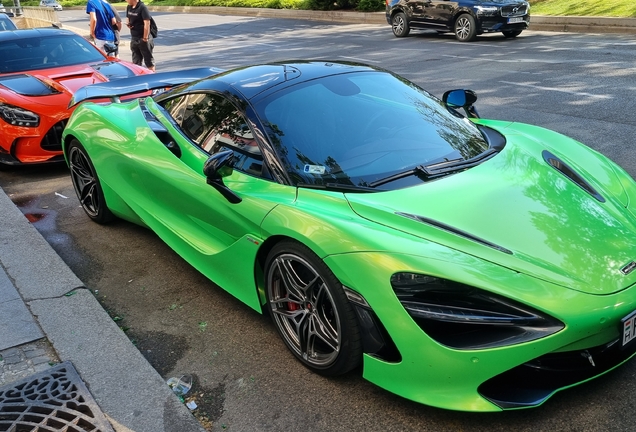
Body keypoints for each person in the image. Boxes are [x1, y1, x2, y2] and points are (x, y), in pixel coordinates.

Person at [125, 0, 155, 71]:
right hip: (134, 38)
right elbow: (128, 18)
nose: (126, 0)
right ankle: (139, 79)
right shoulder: (129, 7)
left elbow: (147, 23)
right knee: (136, 63)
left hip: (143, 38)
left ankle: (153, 77)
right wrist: (128, 24)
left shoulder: (142, 7)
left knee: (149, 62)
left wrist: (145, 38)